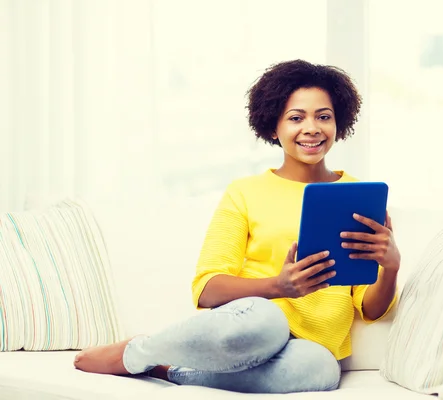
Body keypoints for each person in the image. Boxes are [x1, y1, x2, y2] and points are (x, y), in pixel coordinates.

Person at [73, 59, 401, 394]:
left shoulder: (357, 196)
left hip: (307, 350)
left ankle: (166, 369)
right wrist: (278, 286)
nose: (312, 127)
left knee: (322, 370)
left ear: (338, 122)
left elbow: (369, 308)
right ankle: (135, 352)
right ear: (273, 128)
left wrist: (390, 266)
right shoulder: (245, 192)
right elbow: (207, 288)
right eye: (296, 117)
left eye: (323, 116)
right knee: (268, 322)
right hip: (252, 325)